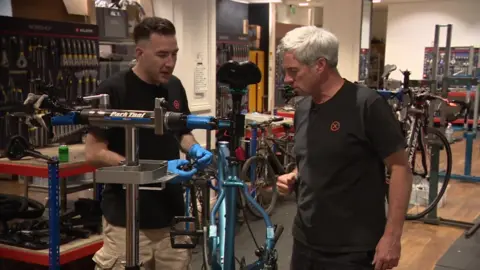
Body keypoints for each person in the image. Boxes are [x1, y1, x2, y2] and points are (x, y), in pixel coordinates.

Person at [276, 26, 413, 270]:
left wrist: (392, 236)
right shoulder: (303, 109)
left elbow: (400, 167)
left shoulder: (366, 104)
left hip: (352, 249)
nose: (287, 79)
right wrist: (295, 175)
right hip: (305, 241)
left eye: (293, 71)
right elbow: (316, 157)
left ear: (320, 65)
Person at [85, 17, 213, 270]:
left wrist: (194, 148)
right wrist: (143, 170)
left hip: (172, 218)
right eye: (162, 55)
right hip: (128, 220)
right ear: (140, 53)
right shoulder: (114, 89)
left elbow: (181, 132)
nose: (170, 63)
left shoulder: (174, 87)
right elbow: (94, 151)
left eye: (174, 54)